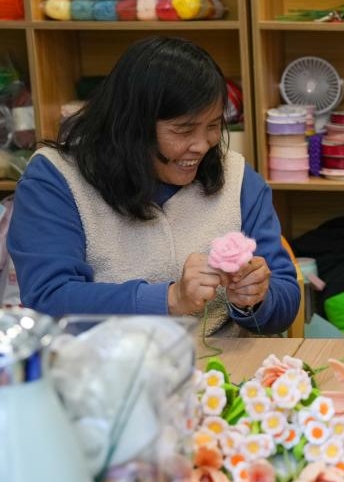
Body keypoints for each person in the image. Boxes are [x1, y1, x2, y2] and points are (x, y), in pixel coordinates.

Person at [8, 36, 300, 335]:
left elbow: (285, 297)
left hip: (217, 374)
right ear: (131, 126)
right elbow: (49, 300)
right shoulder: (56, 180)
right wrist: (170, 299)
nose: (202, 145)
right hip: (99, 371)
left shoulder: (236, 176)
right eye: (183, 130)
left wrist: (255, 299)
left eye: (213, 126)